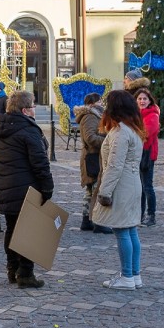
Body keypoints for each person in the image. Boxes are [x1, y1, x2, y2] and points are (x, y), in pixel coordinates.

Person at [0, 90, 54, 288]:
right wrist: (47, 188)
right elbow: (40, 163)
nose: (35, 109)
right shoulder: (28, 130)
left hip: (5, 187)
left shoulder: (0, 126)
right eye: (33, 106)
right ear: (26, 110)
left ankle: (12, 269)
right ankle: (25, 274)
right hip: (24, 188)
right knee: (28, 231)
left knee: (12, 228)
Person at [91, 90, 146, 291]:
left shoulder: (122, 132)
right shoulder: (133, 129)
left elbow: (115, 165)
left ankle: (127, 276)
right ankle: (134, 274)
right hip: (132, 183)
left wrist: (104, 192)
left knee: (123, 231)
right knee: (130, 230)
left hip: (122, 186)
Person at [75, 93, 111, 234]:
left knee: (91, 191)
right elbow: (90, 138)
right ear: (91, 104)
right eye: (99, 101)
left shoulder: (95, 115)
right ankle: (98, 221)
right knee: (96, 189)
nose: (102, 104)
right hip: (92, 157)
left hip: (93, 157)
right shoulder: (90, 116)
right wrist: (108, 141)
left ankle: (87, 220)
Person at [136, 87, 160, 227]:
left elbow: (145, 133)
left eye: (145, 98)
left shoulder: (152, 115)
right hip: (137, 153)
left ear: (150, 100)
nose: (142, 101)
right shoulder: (136, 114)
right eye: (139, 99)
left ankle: (151, 215)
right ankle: (140, 214)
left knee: (147, 186)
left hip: (147, 154)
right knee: (139, 186)